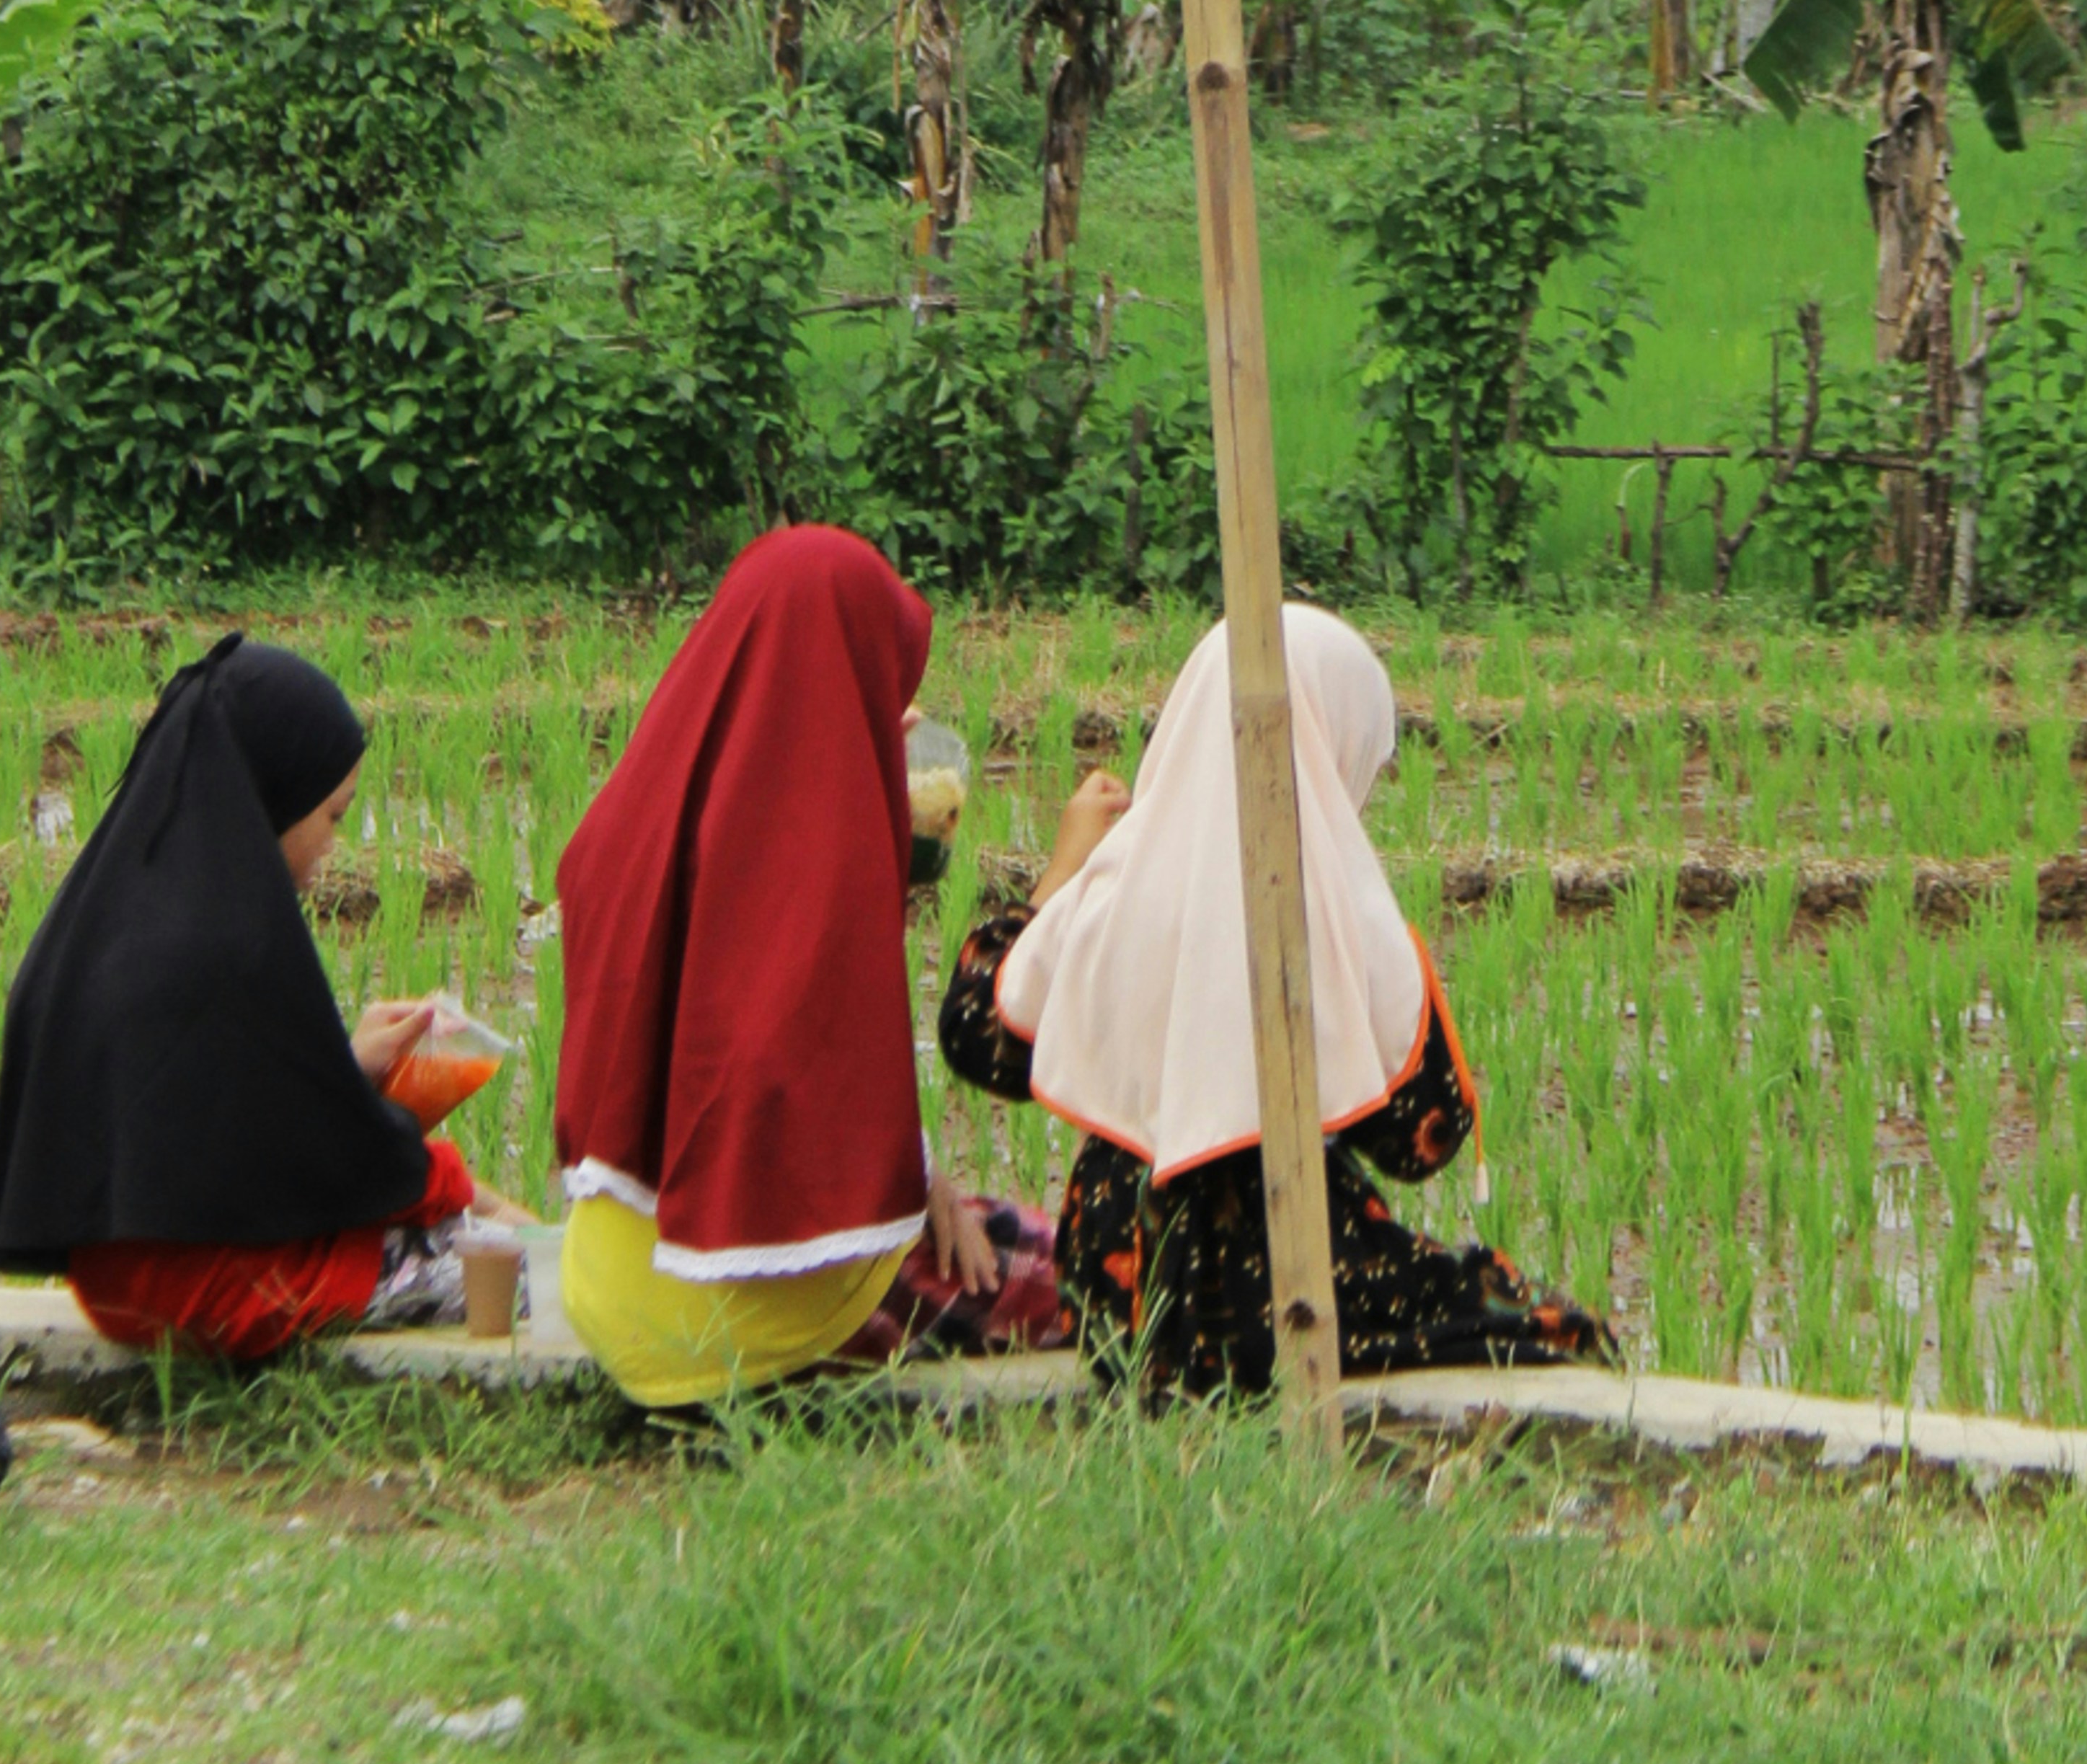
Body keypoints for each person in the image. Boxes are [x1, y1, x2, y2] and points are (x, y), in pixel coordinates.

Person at [937, 600, 1609, 1407]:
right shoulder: (1340, 911)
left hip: (1120, 1295)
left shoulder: (1114, 884)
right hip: (1282, 1292)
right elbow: (1422, 1138)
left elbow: (979, 1036)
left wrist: (1057, 882)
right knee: (1552, 1324)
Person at [554, 522, 1042, 1406]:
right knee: (1059, 1270)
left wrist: (917, 1174)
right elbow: (774, 1068)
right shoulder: (823, 856)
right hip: (743, 1309)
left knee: (990, 1223)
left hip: (608, 1286)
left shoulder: (636, 813)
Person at [0, 638, 477, 1356]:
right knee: (498, 1266)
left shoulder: (107, 920)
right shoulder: (233, 948)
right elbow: (341, 1162)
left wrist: (343, 1064)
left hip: (118, 1289)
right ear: (274, 792)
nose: (334, 843)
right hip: (218, 1288)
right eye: (331, 816)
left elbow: (228, 1119)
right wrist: (453, 1179)